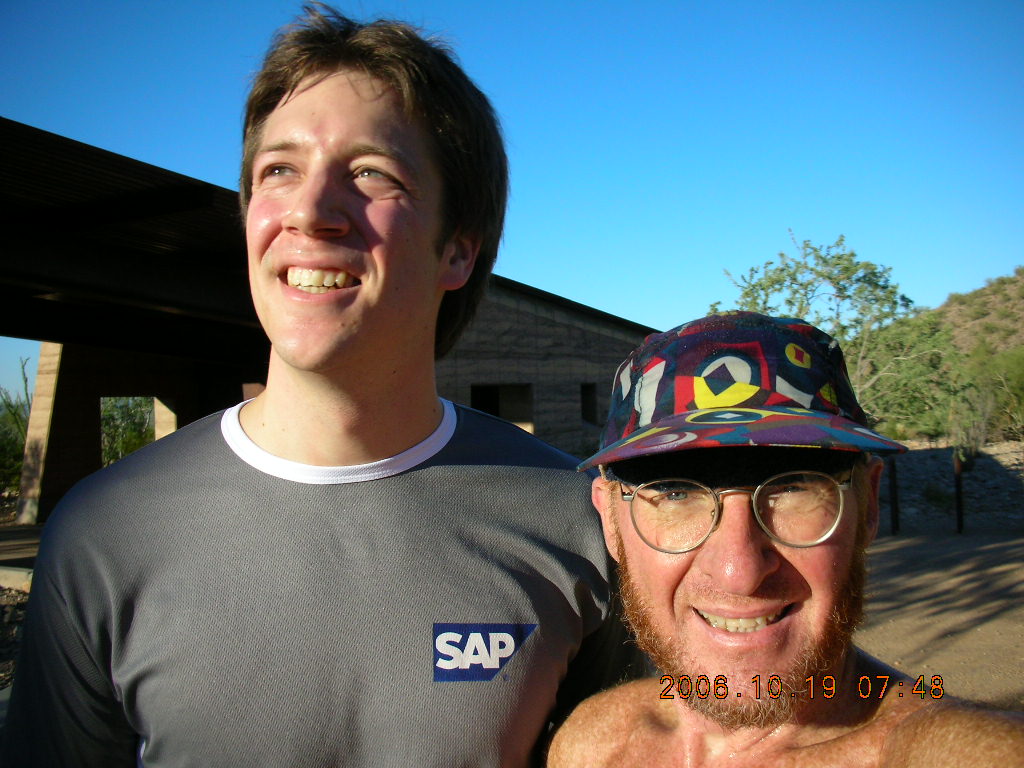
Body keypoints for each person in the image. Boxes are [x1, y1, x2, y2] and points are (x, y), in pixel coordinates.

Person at [2, 6, 640, 765]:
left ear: (459, 251)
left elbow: (694, 716)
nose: (308, 211)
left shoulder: (583, 524)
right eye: (279, 170)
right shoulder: (103, 533)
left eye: (372, 173)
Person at [547, 312, 1024, 767]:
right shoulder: (593, 743)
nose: (739, 573)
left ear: (869, 506)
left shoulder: (928, 749)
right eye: (675, 493)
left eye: (795, 488)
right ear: (610, 521)